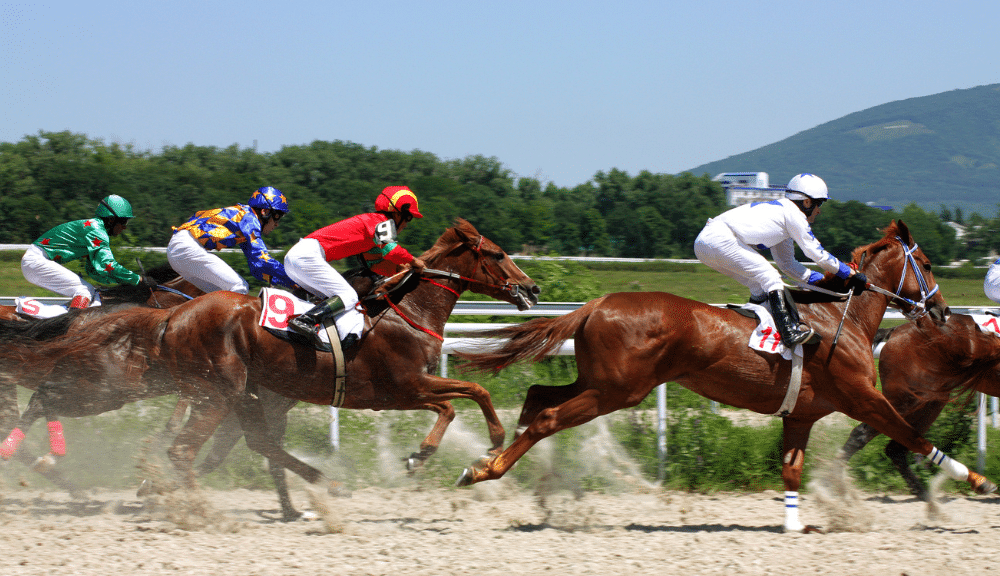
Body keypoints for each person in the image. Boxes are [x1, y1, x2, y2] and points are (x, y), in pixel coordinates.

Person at [694, 173, 868, 346]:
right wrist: (849, 273)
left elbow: (788, 264)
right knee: (771, 277)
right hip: (719, 239)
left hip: (704, 244)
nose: (819, 210)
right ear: (807, 202)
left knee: (759, 287)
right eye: (819, 203)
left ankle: (750, 335)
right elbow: (815, 252)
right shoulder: (794, 215)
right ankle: (788, 334)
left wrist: (820, 280)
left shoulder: (783, 218)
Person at [284, 185, 427, 349]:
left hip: (297, 257)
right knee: (349, 296)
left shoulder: (374, 228)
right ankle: (305, 321)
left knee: (329, 301)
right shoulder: (381, 222)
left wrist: (399, 270)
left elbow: (375, 265)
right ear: (396, 213)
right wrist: (415, 261)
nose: (407, 224)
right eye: (408, 217)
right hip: (307, 256)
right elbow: (391, 251)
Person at [21, 194, 154, 309]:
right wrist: (138, 279)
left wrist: (113, 285)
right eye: (123, 221)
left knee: (91, 290)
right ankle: (69, 328)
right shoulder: (97, 231)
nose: (125, 227)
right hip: (36, 261)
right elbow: (108, 265)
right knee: (84, 290)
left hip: (34, 262)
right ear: (111, 219)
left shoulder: (95, 227)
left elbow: (93, 270)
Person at [167, 186, 297, 294]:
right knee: (239, 288)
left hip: (178, 250)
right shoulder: (250, 219)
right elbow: (263, 259)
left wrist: (288, 284)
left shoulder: (243, 220)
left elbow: (256, 267)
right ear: (265, 212)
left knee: (220, 295)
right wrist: (294, 280)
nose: (277, 224)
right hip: (187, 248)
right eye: (277, 217)